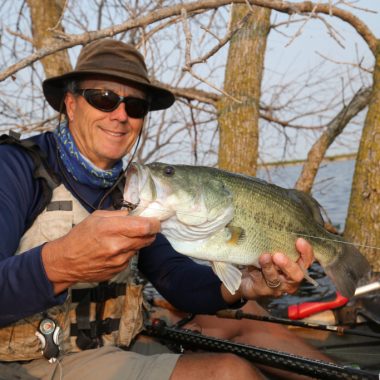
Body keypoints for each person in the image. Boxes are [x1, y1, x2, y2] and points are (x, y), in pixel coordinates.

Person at [0, 38, 316, 380]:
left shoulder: (134, 189)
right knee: (229, 372)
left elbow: (173, 277)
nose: (120, 115)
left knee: (250, 317)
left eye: (135, 106)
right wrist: (59, 263)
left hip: (116, 342)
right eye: (103, 98)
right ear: (71, 104)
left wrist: (242, 285)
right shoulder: (15, 169)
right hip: (33, 363)